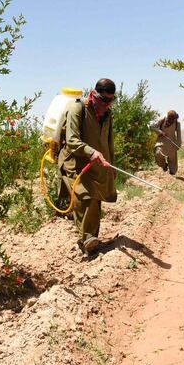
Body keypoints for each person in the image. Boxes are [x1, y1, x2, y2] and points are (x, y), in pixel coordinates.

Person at [57, 78, 118, 255]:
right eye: (104, 100)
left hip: (96, 163)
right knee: (84, 196)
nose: (107, 104)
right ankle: (88, 239)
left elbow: (109, 142)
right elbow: (72, 140)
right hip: (74, 161)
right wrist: (91, 151)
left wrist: (111, 164)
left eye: (111, 100)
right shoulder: (77, 109)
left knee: (96, 197)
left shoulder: (107, 115)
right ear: (94, 94)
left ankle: (90, 238)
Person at [151, 110, 182, 175]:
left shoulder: (177, 123)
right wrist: (160, 132)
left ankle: (172, 172)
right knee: (158, 153)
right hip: (161, 142)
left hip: (171, 144)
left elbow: (179, 135)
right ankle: (164, 165)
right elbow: (153, 127)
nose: (171, 121)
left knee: (173, 161)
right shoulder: (163, 119)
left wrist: (178, 145)